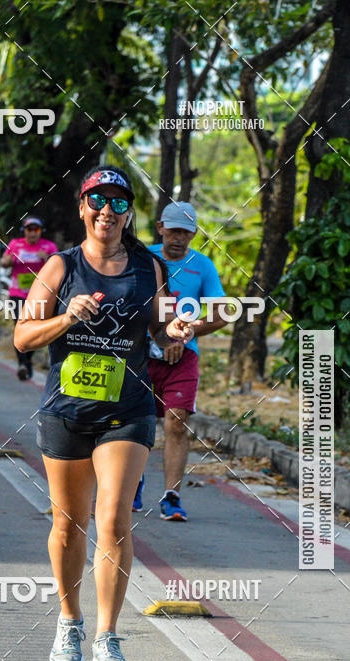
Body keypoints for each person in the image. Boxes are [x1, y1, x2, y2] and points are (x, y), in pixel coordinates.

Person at [14, 165, 196, 661]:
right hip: (67, 411)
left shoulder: (149, 268)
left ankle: (107, 637)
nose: (107, 212)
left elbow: (161, 332)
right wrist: (67, 317)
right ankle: (69, 621)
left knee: (114, 518)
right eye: (98, 202)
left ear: (129, 213)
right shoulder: (58, 268)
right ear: (82, 208)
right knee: (68, 524)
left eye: (118, 203)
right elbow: (23, 338)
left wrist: (174, 333)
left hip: (128, 410)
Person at [133, 201, 226, 521]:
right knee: (138, 422)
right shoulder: (144, 258)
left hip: (183, 357)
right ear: (161, 227)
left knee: (176, 422)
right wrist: (161, 337)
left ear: (194, 234)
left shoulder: (203, 266)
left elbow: (221, 314)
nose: (178, 238)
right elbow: (132, 303)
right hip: (141, 353)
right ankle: (133, 482)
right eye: (173, 231)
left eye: (186, 233)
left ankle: (171, 495)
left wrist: (186, 332)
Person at [1, 216, 58, 380]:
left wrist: (46, 258)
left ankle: (27, 361)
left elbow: (60, 266)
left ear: (41, 232)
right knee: (19, 327)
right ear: (24, 231)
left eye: (36, 230)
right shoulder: (15, 244)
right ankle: (22, 364)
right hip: (17, 293)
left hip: (39, 293)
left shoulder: (48, 246)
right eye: (29, 229)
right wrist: (9, 260)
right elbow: (4, 261)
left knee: (34, 328)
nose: (33, 233)